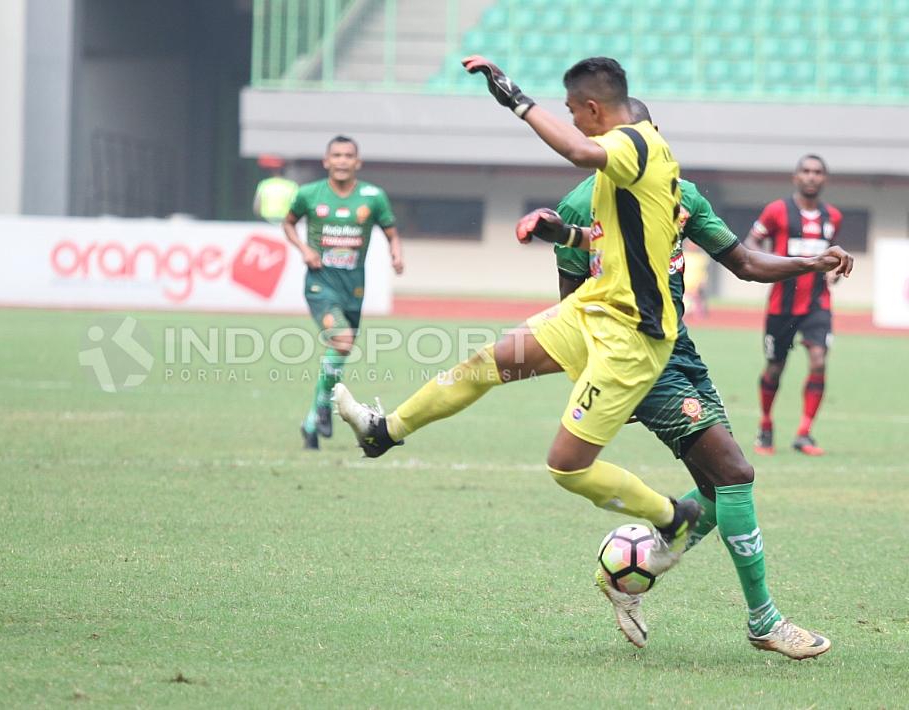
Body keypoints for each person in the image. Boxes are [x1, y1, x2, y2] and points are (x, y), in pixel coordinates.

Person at [335, 56, 703, 575]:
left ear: (594, 109)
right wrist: (565, 235)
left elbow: (577, 150)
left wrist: (517, 100)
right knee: (489, 362)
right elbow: (620, 240)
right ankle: (384, 431)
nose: (572, 119)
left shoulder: (634, 144)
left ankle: (672, 517)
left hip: (632, 335)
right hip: (595, 307)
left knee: (567, 468)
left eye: (574, 110)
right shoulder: (641, 161)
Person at [554, 98, 847, 659]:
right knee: (736, 471)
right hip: (634, 359)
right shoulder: (577, 205)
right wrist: (596, 368)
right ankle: (764, 620)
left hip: (679, 349)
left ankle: (628, 572)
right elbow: (569, 305)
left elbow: (745, 263)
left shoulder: (683, 197)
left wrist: (810, 262)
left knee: (716, 491)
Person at [284, 135, 403, 450]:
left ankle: (311, 421)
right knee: (342, 340)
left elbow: (391, 232)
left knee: (340, 352)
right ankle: (324, 407)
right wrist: (304, 249)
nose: (341, 160)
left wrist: (397, 253)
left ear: (357, 162)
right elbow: (288, 223)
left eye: (348, 155)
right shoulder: (309, 194)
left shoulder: (373, 197)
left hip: (354, 288)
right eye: (336, 155)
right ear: (326, 161)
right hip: (320, 285)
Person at [744, 155, 841, 457]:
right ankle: (765, 425)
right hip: (781, 305)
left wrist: (835, 270)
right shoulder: (777, 211)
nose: (811, 177)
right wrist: (770, 264)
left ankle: (804, 433)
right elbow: (751, 243)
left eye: (817, 172)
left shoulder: (832, 217)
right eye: (806, 171)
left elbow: (830, 257)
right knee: (775, 368)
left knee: (819, 361)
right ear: (796, 177)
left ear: (824, 179)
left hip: (817, 303)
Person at [253, 154, 299, 225]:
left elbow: (256, 208)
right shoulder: (292, 186)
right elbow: (297, 208)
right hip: (286, 223)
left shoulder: (264, 184)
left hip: (266, 222)